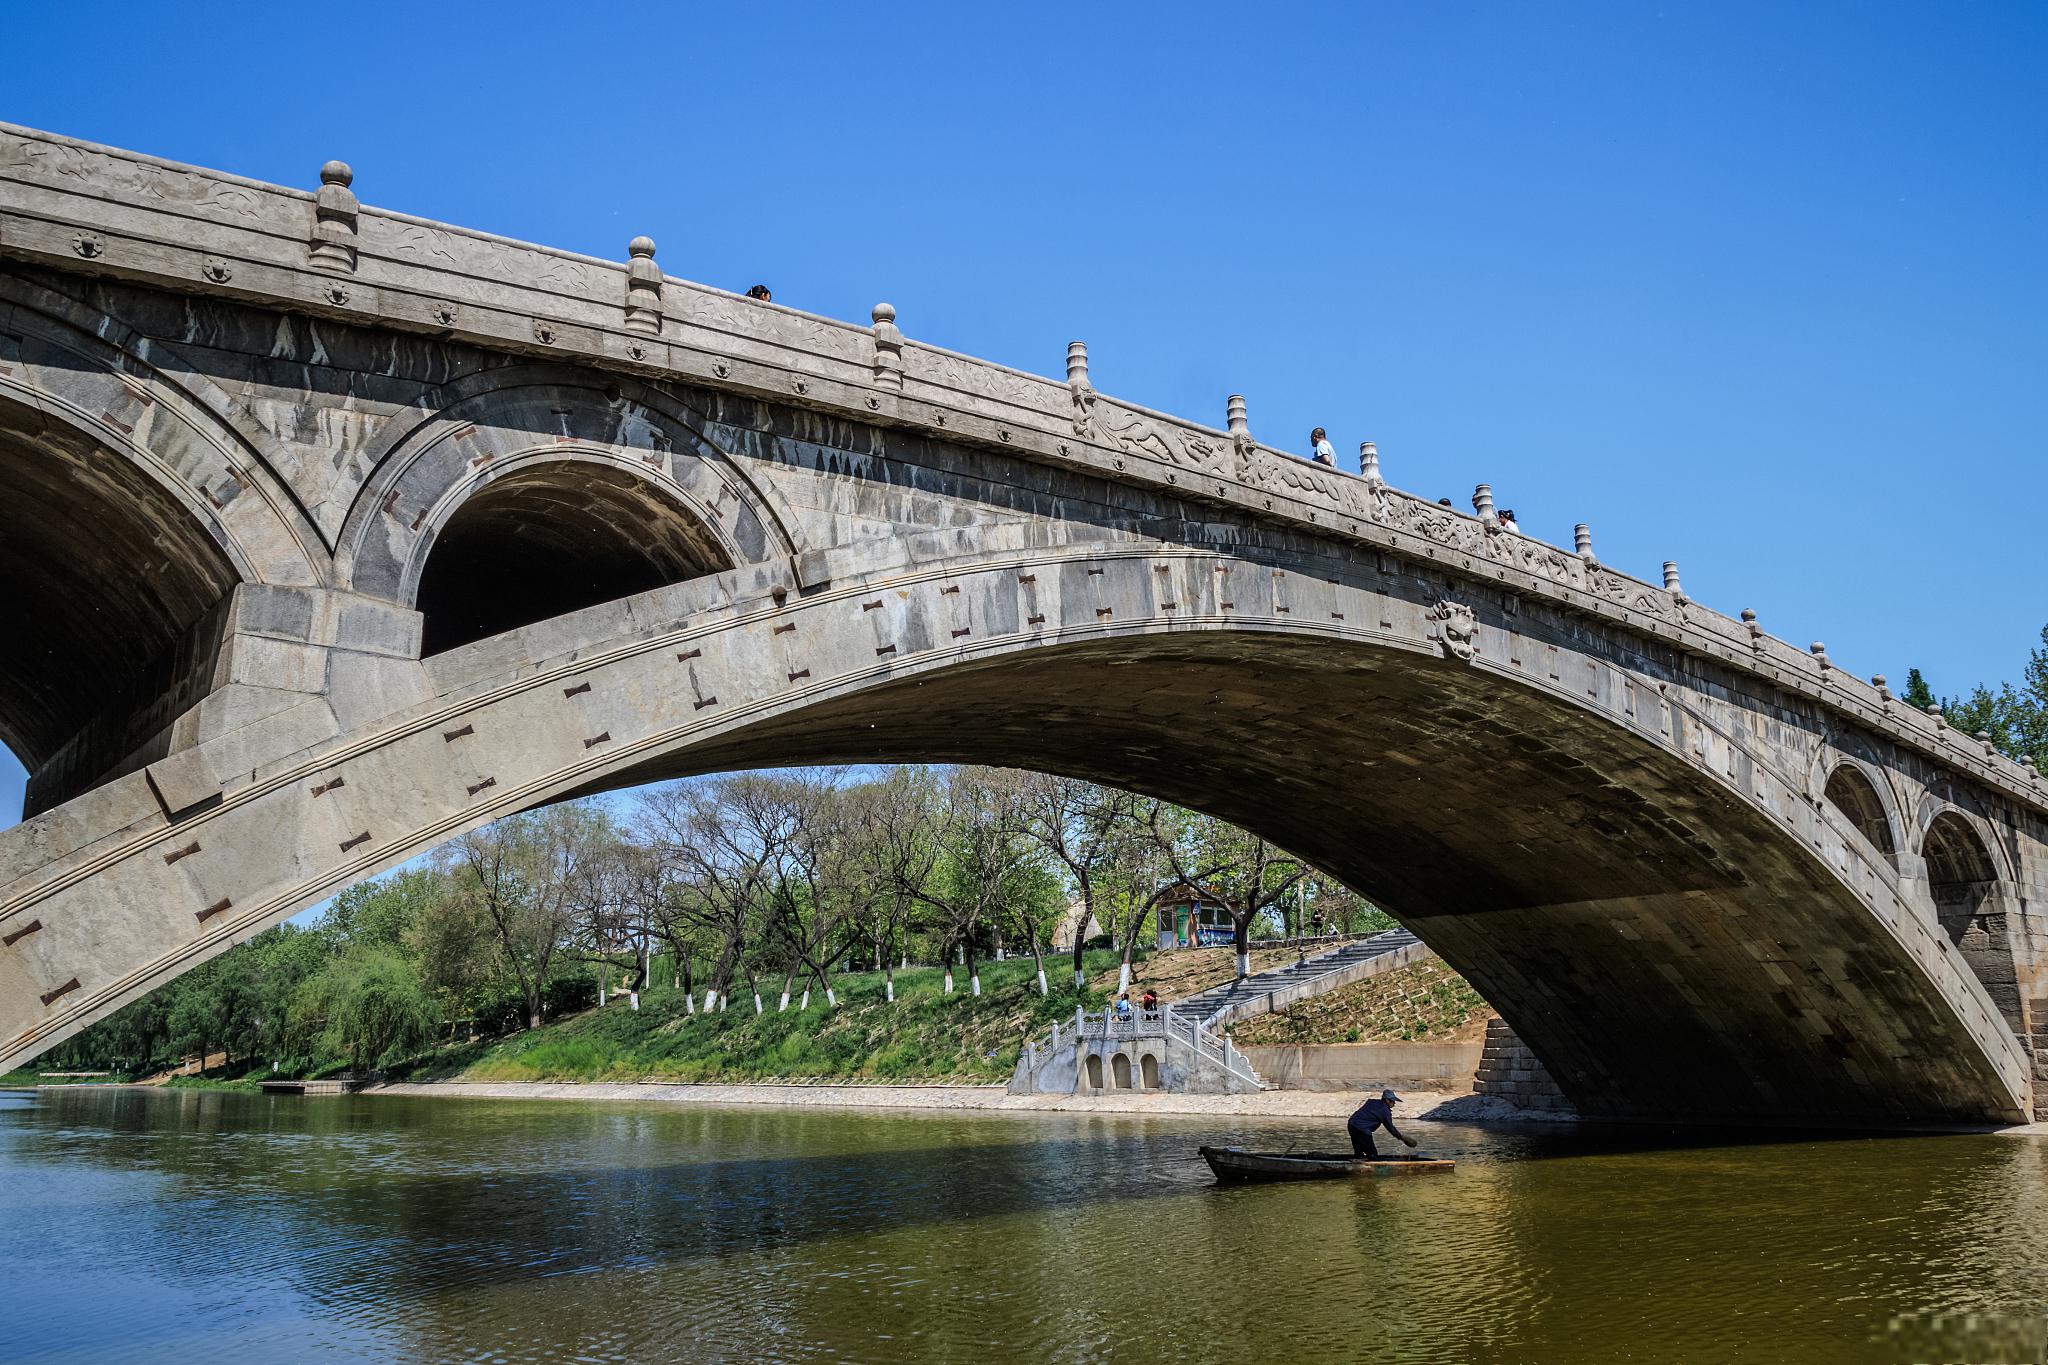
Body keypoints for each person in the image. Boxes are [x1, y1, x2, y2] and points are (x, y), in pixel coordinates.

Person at [1347, 1088, 1418, 1158]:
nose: (1394, 1103)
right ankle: (1370, 1165)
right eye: (1393, 1101)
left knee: (1358, 1152)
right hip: (1362, 1129)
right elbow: (1390, 1128)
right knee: (1372, 1154)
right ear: (1387, 1100)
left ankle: (1358, 1159)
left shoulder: (1372, 1102)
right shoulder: (1385, 1111)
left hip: (1351, 1124)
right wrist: (1401, 1137)